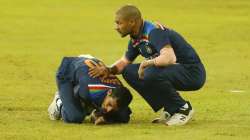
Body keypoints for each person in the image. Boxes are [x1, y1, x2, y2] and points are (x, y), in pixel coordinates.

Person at [89, 5, 206, 126]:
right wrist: (108, 70)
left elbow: (170, 58)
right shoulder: (136, 38)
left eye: (119, 23)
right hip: (176, 71)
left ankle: (183, 109)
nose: (116, 27)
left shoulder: (154, 32)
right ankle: (171, 108)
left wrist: (147, 63)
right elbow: (124, 62)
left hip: (192, 72)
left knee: (150, 72)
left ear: (132, 22)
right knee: (128, 71)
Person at [48, 55, 133, 125]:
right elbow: (79, 95)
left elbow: (125, 115)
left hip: (87, 68)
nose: (108, 109)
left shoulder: (119, 93)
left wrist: (104, 117)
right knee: (75, 117)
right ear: (109, 92)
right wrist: (97, 114)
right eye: (109, 104)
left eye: (113, 108)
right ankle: (59, 102)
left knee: (122, 116)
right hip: (68, 72)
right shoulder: (91, 90)